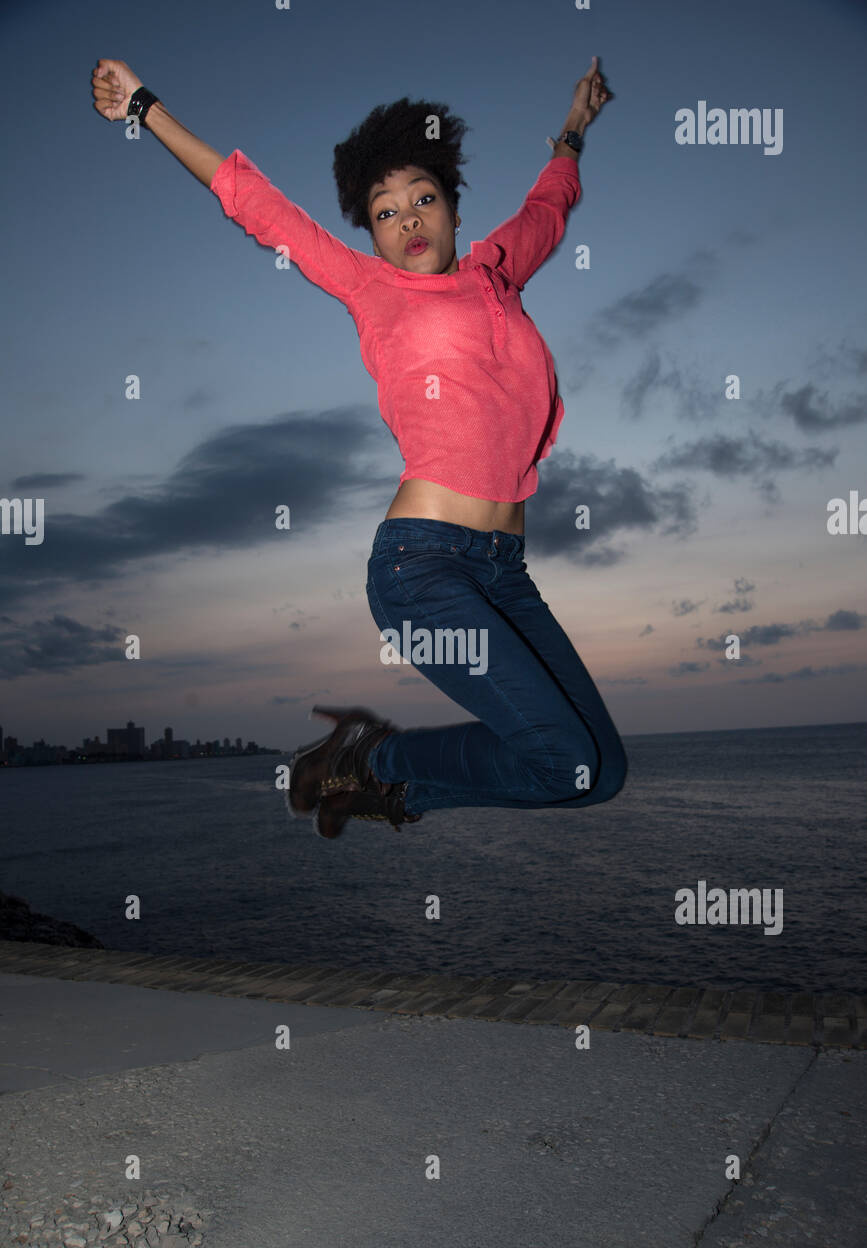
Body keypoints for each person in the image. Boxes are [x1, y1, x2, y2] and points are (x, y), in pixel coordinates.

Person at [91, 56, 627, 838]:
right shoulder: (369, 289)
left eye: (423, 200)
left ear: (451, 208)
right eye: (385, 212)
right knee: (558, 759)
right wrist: (144, 106)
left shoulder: (497, 274)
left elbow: (551, 199)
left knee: (598, 774)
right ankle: (375, 761)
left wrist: (576, 124)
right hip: (422, 569)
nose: (408, 221)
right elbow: (253, 201)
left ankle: (375, 782)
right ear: (370, 235)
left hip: (505, 574)